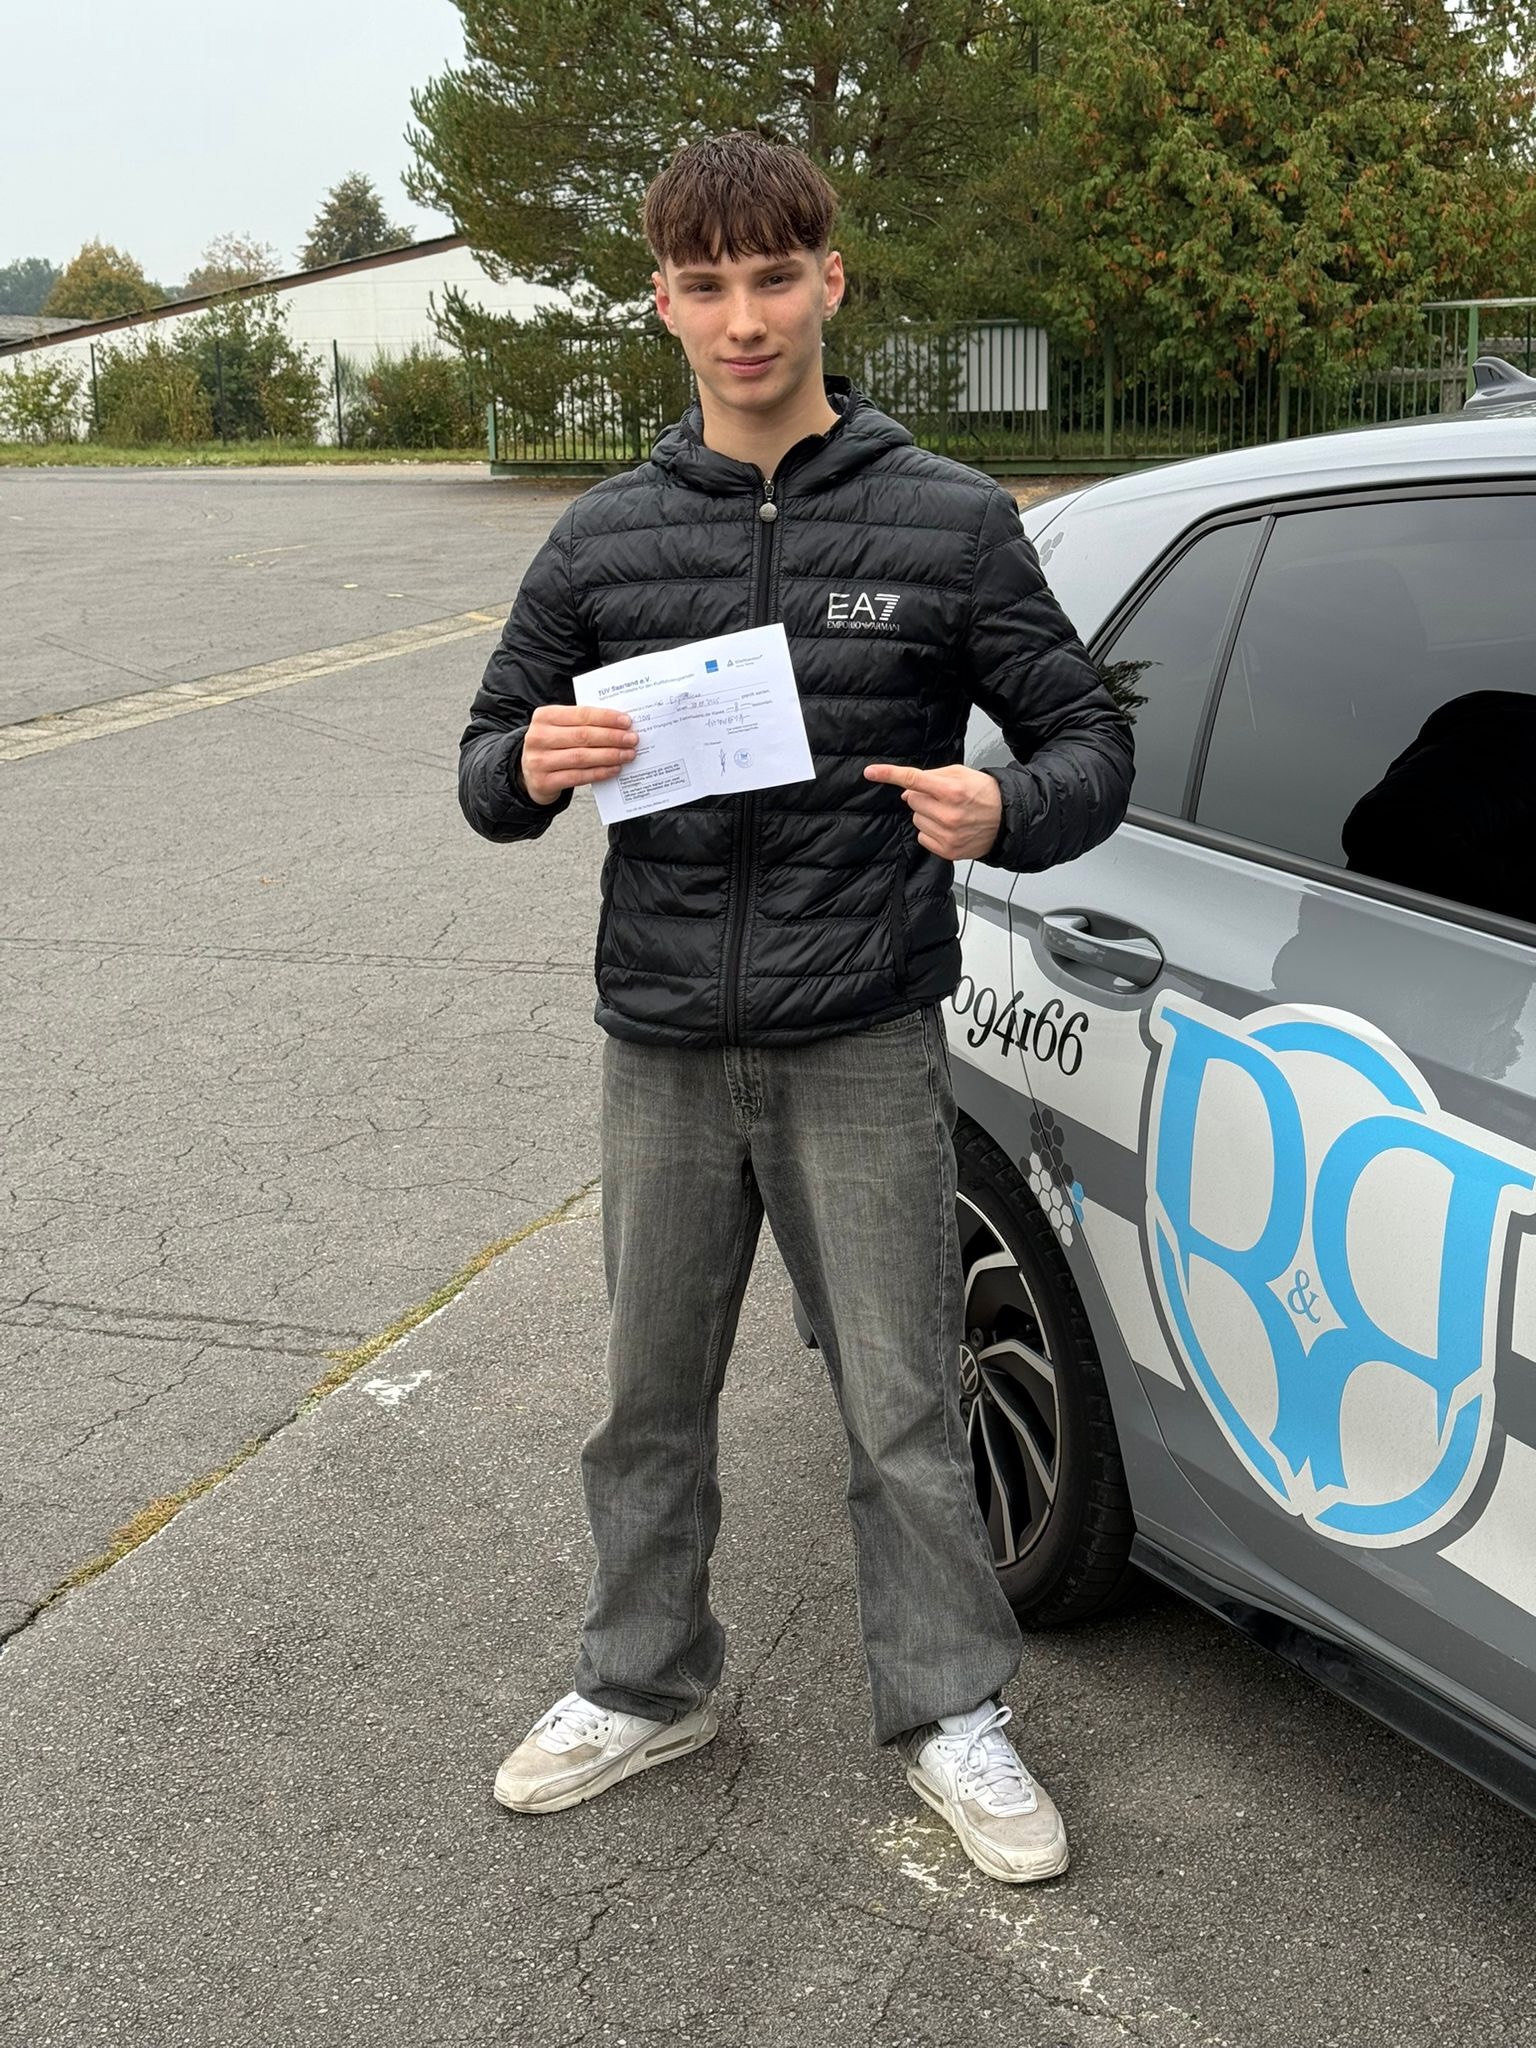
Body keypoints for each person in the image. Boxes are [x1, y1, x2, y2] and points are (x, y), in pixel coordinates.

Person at [459, 132, 1132, 1885]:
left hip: (863, 1038)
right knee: (646, 1397)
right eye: (708, 285)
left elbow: (1089, 739)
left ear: (830, 281)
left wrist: (1008, 808)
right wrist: (528, 764)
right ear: (664, 304)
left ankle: (952, 1710)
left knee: (902, 1401)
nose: (744, 317)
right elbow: (485, 764)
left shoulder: (951, 522)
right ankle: (643, 1682)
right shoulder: (603, 536)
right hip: (666, 1042)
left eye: (774, 278)